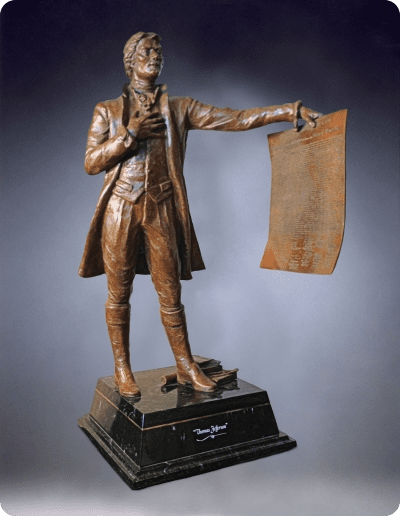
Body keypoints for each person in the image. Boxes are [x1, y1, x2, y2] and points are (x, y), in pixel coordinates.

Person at [79, 31, 319, 396]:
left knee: (170, 293)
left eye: (159, 51)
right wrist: (129, 134)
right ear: (130, 60)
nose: (155, 56)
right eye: (147, 50)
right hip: (120, 208)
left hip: (161, 207)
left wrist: (288, 111)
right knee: (118, 293)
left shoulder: (179, 107)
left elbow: (234, 118)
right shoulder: (107, 111)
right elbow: (91, 163)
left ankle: (185, 364)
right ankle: (122, 368)